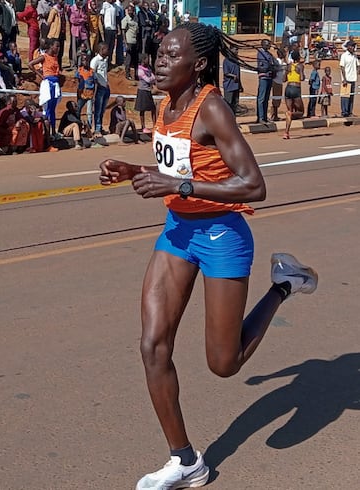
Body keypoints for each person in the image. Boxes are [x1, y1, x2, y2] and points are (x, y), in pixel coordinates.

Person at [98, 22, 318, 490]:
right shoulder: (165, 105)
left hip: (223, 234)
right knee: (152, 346)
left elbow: (254, 185)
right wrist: (134, 170)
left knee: (224, 363)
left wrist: (178, 185)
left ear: (197, 64)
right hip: (178, 231)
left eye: (170, 55)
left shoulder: (212, 107)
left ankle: (285, 284)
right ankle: (185, 460)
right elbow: (180, 167)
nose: (159, 61)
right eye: (158, 53)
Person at [29, 38, 62, 136]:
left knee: (52, 109)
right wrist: (40, 75)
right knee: (47, 109)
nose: (58, 48)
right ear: (51, 46)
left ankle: (53, 132)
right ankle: (45, 133)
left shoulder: (55, 57)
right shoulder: (44, 57)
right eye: (57, 46)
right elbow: (31, 64)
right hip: (48, 84)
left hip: (55, 84)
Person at [283, 49, 304, 139]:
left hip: (288, 88)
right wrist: (299, 72)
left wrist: (288, 72)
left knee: (289, 110)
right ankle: (291, 114)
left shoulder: (288, 66)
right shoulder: (300, 66)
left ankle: (286, 132)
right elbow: (302, 78)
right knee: (301, 112)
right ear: (298, 57)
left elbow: (284, 79)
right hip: (296, 88)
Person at [91, 42, 110, 137]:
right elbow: (92, 75)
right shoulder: (95, 61)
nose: (108, 51)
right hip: (99, 88)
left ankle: (100, 127)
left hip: (106, 87)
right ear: (101, 50)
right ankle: (97, 129)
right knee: (98, 110)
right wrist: (97, 85)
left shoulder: (105, 60)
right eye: (106, 49)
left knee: (102, 109)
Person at [135, 53, 156, 133]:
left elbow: (153, 78)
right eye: (147, 58)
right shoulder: (140, 70)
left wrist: (151, 78)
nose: (149, 60)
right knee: (142, 110)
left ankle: (155, 125)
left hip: (148, 90)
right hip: (142, 91)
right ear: (143, 60)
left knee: (152, 109)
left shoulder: (149, 68)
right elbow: (149, 79)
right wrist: (151, 78)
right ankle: (143, 126)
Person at [256, 38, 275, 124]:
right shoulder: (261, 54)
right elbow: (262, 66)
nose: (269, 46)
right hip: (264, 77)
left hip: (269, 77)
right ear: (263, 44)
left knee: (266, 98)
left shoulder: (269, 54)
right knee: (261, 98)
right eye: (267, 44)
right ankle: (260, 117)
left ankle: (264, 116)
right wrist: (269, 68)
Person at [339, 40, 359, 117]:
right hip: (346, 80)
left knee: (351, 97)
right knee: (345, 97)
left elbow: (358, 64)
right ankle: (344, 112)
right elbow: (342, 67)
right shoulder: (344, 56)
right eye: (351, 46)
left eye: (354, 46)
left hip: (353, 79)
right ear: (348, 47)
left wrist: (357, 72)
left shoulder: (354, 56)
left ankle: (350, 112)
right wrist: (344, 79)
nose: (353, 48)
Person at [75, 53, 95, 128]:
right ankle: (78, 124)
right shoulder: (79, 71)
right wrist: (78, 94)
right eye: (83, 60)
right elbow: (78, 82)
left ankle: (89, 127)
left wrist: (94, 95)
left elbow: (95, 83)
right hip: (81, 94)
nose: (85, 62)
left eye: (87, 60)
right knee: (78, 110)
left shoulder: (92, 72)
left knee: (89, 112)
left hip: (90, 94)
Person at [46, 0, 67, 67]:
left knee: (60, 51)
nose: (62, 1)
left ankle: (59, 66)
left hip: (62, 33)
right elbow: (49, 22)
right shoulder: (54, 10)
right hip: (55, 34)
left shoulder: (62, 10)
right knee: (54, 51)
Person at [68, 0, 88, 70]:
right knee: (74, 48)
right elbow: (73, 20)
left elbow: (85, 17)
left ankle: (81, 64)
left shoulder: (82, 8)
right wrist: (82, 20)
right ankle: (74, 64)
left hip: (82, 31)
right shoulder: (72, 9)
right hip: (75, 31)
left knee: (82, 48)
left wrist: (80, 19)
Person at [222, 45, 241, 115]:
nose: (237, 51)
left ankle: (234, 120)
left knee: (235, 104)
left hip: (236, 85)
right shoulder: (226, 60)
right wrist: (233, 76)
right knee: (228, 104)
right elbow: (226, 72)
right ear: (231, 50)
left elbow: (238, 73)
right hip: (229, 86)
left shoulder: (236, 60)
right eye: (236, 49)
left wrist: (240, 85)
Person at [122, 4, 139, 81]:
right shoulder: (126, 19)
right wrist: (125, 43)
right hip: (129, 41)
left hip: (135, 41)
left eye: (132, 10)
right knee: (128, 59)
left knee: (136, 59)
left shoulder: (135, 19)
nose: (130, 12)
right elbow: (123, 31)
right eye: (129, 10)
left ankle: (136, 75)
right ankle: (127, 74)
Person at [270, 47, 286, 121]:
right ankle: (273, 115)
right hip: (276, 81)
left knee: (278, 99)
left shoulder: (283, 62)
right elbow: (275, 69)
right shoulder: (277, 61)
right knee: (275, 98)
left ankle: (275, 114)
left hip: (280, 82)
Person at [100, 0, 117, 68]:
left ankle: (109, 62)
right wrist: (103, 26)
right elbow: (101, 16)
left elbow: (117, 17)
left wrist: (117, 28)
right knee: (106, 47)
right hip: (107, 29)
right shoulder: (105, 4)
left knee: (111, 47)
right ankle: (104, 63)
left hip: (113, 29)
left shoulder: (115, 6)